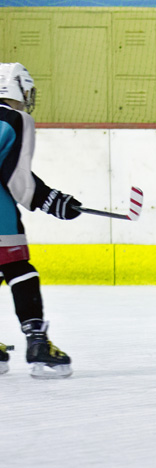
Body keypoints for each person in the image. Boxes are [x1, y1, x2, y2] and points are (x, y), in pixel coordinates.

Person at [0, 62, 79, 378]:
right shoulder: (15, 118)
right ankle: (37, 346)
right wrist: (53, 201)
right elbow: (17, 179)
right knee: (19, 269)